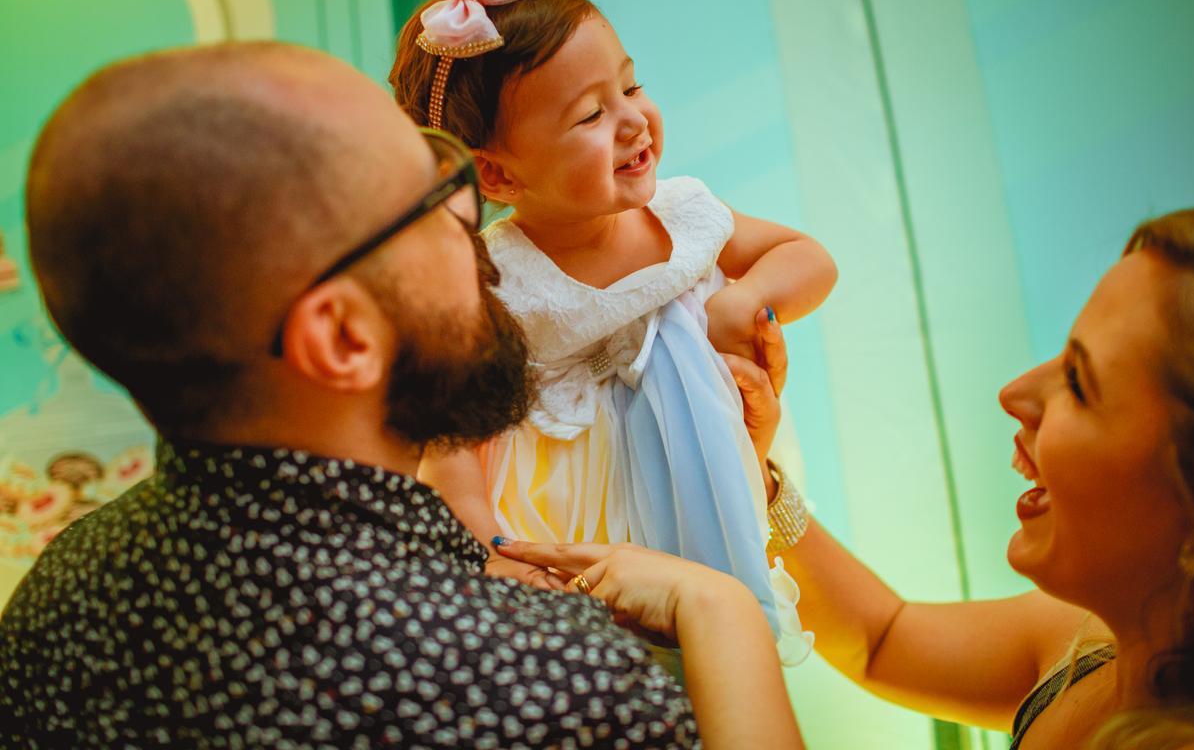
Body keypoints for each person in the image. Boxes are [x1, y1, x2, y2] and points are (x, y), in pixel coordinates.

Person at [0, 40, 804, 749]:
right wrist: (720, 612)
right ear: (343, 337)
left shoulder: (56, 599)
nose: (484, 236)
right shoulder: (547, 684)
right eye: (434, 202)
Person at [499, 207, 1194, 749]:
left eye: (1078, 382)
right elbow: (880, 638)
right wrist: (751, 477)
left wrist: (713, 607)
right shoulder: (1086, 644)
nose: (1014, 392)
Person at [388, 0, 836, 660]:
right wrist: (491, 555)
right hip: (567, 542)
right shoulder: (492, 281)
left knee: (716, 657)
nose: (632, 121)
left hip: (698, 486)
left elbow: (808, 258)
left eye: (630, 86)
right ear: (498, 173)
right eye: (592, 115)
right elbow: (451, 449)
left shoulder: (683, 215)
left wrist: (747, 299)